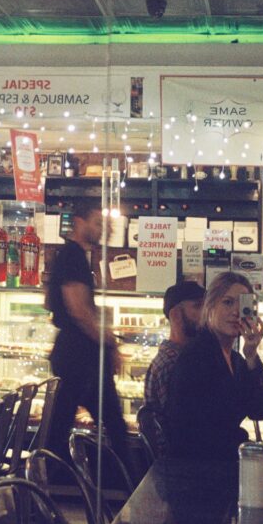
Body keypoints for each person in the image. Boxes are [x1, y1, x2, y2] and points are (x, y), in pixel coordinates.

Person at [46, 198, 130, 467]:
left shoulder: (71, 256)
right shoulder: (72, 256)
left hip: (76, 353)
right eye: (97, 223)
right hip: (79, 356)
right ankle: (131, 481)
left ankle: (48, 475)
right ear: (79, 222)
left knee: (62, 422)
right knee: (112, 422)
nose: (102, 228)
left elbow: (50, 302)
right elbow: (79, 311)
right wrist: (110, 344)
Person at [164, 272, 263, 461]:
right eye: (227, 302)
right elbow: (202, 433)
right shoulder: (197, 355)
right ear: (210, 307)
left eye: (243, 305)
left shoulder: (236, 360)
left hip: (221, 461)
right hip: (199, 469)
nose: (235, 311)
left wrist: (251, 355)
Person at [144, 280, 205, 426]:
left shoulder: (183, 356)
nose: (205, 314)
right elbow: (183, 424)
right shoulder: (172, 363)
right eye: (198, 306)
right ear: (176, 315)